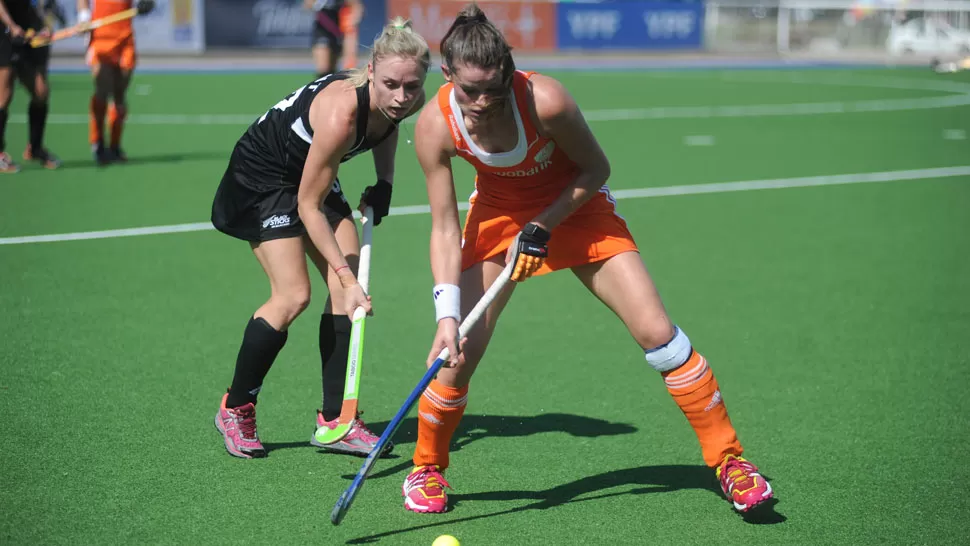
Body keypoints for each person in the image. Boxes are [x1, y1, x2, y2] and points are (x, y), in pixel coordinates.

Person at [404, 3, 775, 515]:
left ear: (509, 70)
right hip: (496, 218)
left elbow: (596, 167)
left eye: (494, 87)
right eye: (470, 90)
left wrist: (544, 224)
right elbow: (444, 226)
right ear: (447, 75)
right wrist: (446, 316)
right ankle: (426, 467)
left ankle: (730, 462)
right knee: (456, 354)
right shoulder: (433, 126)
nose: (483, 102)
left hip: (574, 208)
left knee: (659, 336)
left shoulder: (545, 100)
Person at [210, 17, 430, 459]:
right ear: (371, 71)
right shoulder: (340, 112)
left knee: (346, 293)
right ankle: (236, 408)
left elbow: (388, 124)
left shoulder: (399, 99)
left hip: (309, 172)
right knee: (293, 295)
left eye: (412, 87)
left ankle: (336, 421)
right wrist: (347, 278)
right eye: (392, 85)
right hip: (264, 177)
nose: (402, 97)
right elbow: (308, 206)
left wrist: (384, 180)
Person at [78, 0, 150, 165]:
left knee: (120, 92)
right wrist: (83, 17)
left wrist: (145, 4)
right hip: (101, 36)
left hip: (125, 36)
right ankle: (97, 143)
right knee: (102, 90)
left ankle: (115, 146)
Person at [0, 0, 59, 172]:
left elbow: (42, 5)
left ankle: (35, 148)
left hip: (28, 30)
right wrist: (11, 25)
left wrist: (45, 26)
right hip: (5, 31)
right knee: (4, 93)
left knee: (41, 91)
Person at [304, 0, 362, 78]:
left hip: (339, 31)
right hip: (322, 30)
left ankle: (331, 87)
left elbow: (357, 7)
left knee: (332, 69)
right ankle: (322, 87)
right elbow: (307, 4)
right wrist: (317, 4)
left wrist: (353, 21)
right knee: (323, 68)